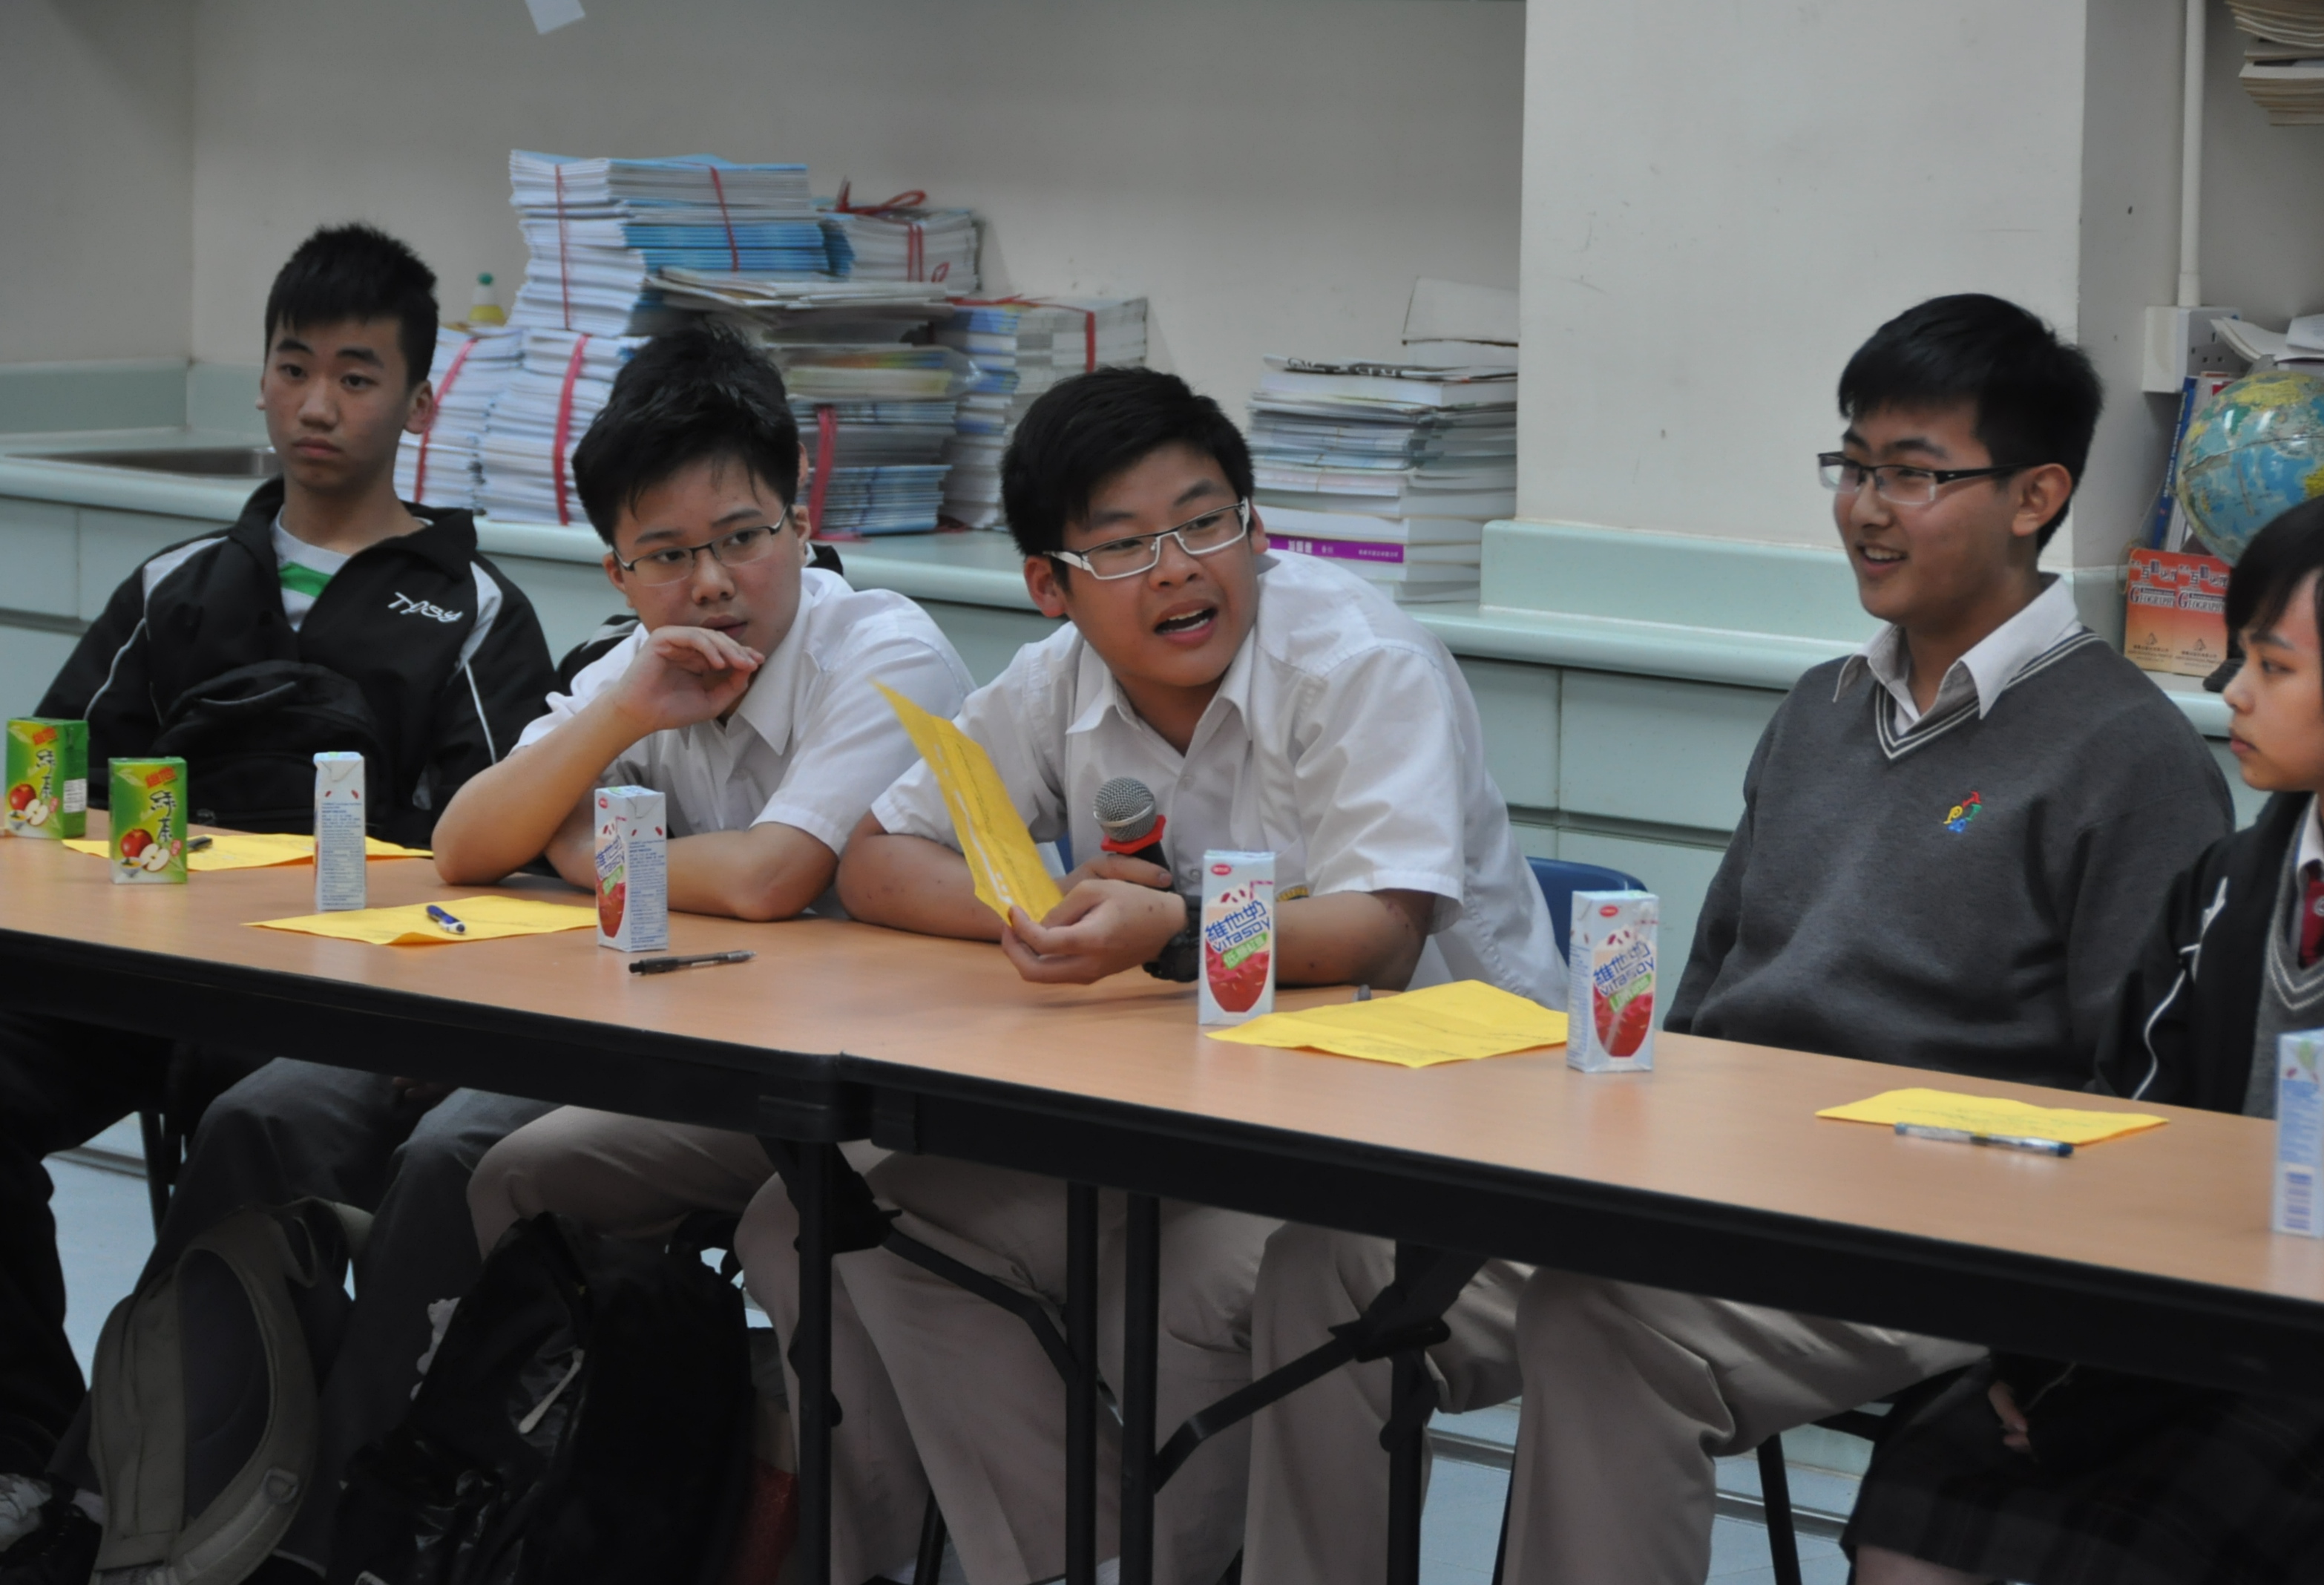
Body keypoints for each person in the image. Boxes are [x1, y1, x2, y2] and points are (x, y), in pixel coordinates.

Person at [1238, 294, 2239, 1585]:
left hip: (1923, 1228)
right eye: (1853, 466)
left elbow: (2144, 1106)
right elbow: (1711, 997)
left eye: (1914, 474)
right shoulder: (1821, 709)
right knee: (1326, 1265)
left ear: (2035, 496)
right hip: (1718, 1181)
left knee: (1603, 1321)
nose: (1866, 509)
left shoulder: (2130, 756)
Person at [794, 365, 1564, 1585]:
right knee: (858, 1220)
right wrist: (1051, 911)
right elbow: (880, 858)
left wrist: (1162, 930)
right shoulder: (1056, 678)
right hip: (1202, 1113)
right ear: (1048, 584)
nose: (1177, 571)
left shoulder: (1361, 663)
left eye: (1207, 524)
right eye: (1122, 546)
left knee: (1182, 1282)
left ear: (1256, 529)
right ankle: (1087, 1555)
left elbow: (1380, 933)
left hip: (1436, 1127)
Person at [0, 224, 555, 1581]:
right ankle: (37, 1454)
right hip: (140, 991)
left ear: (415, 401)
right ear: (259, 379)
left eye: (358, 377)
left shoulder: (473, 612)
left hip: (342, 1017)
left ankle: (154, 1479)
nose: (318, 404)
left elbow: (496, 854)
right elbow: (47, 789)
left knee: (271, 1134)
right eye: (294, 367)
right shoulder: (178, 585)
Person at [444, 321, 972, 1585]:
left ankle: (840, 1557)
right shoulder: (645, 670)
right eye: (668, 556)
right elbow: (467, 842)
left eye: (743, 538)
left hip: (892, 1091)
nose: (714, 584)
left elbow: (775, 876)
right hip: (728, 1074)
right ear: (619, 570)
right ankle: (587, 1521)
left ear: (802, 519)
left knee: (799, 1235)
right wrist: (621, 715)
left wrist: (588, 851)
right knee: (517, 1177)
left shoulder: (886, 649)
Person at [1846, 485, 2324, 1585]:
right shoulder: (2226, 886)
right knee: (1916, 1491)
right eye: (2238, 656)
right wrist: (2043, 1354)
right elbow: (2125, 1125)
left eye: (2273, 666)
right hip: (2180, 1334)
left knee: (2139, 1542)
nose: (2232, 690)